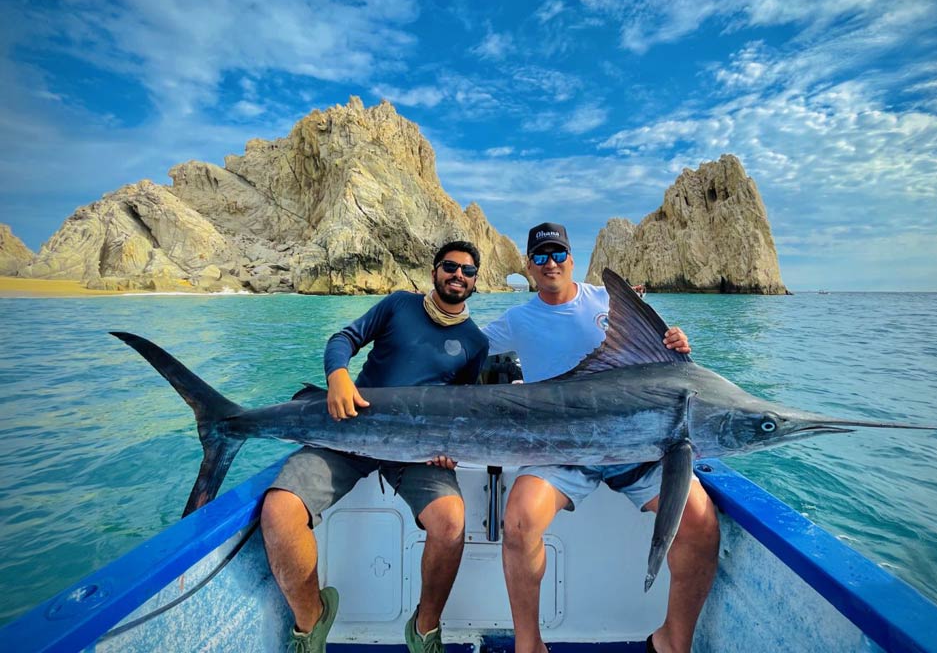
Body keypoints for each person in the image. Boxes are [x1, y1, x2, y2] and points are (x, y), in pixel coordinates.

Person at [482, 223, 720, 653]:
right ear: (529, 267)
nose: (550, 263)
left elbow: (665, 366)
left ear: (572, 259)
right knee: (519, 521)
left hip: (638, 443)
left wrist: (679, 346)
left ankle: (671, 642)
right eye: (540, 257)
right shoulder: (516, 320)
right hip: (560, 449)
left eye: (558, 255)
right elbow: (464, 348)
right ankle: (529, 645)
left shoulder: (609, 300)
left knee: (701, 524)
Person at [261, 240, 489, 653]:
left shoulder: (476, 342)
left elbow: (463, 405)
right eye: (450, 267)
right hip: (350, 432)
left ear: (475, 281)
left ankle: (424, 630)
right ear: (435, 271)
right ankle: (311, 625)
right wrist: (338, 377)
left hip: (418, 452)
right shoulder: (399, 305)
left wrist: (449, 450)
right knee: (279, 509)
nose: (458, 275)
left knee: (451, 522)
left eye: (467, 271)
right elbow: (343, 338)